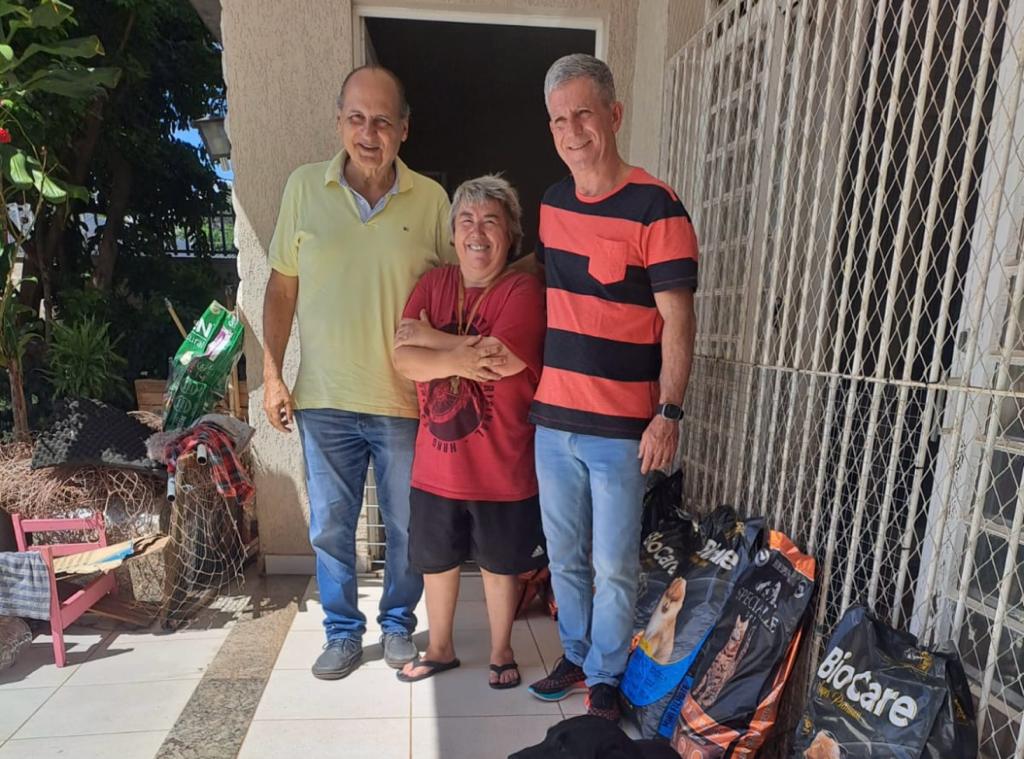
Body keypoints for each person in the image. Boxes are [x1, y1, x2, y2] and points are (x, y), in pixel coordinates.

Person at [262, 65, 453, 680]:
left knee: (405, 526)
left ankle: (398, 624)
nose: (367, 133)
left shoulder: (432, 201)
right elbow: (281, 290)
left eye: (381, 121)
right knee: (331, 528)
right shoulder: (302, 189)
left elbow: (454, 294)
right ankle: (342, 632)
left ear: (404, 129)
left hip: (404, 400)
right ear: (338, 121)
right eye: (355, 118)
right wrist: (272, 373)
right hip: (324, 399)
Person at [525, 54, 699, 721]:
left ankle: (605, 677)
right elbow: (549, 289)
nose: (572, 131)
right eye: (559, 120)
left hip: (624, 427)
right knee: (565, 556)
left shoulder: (657, 206)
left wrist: (669, 413)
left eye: (584, 115)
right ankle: (575, 652)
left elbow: (678, 321)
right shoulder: (550, 205)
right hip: (554, 423)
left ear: (614, 116)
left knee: (614, 563)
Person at [391, 175, 547, 689]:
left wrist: (437, 342)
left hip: (502, 465)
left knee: (502, 565)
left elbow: (503, 361)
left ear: (511, 234)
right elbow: (403, 358)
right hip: (436, 467)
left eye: (491, 222)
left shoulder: (523, 289)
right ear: (453, 234)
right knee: (436, 561)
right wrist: (460, 357)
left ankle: (502, 649)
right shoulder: (433, 285)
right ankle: (440, 648)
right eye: (466, 221)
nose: (477, 232)